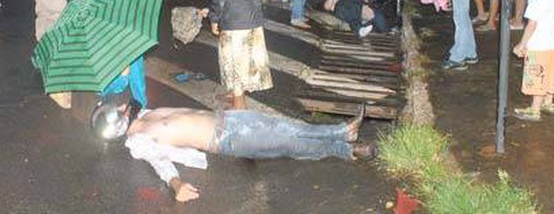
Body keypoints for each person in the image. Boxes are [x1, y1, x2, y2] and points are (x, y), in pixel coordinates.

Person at [90, 101, 375, 202]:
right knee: (289, 139)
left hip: (230, 119)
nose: (121, 106)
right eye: (116, 111)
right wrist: (176, 184)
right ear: (117, 124)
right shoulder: (138, 141)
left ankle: (345, 150)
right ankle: (342, 132)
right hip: (228, 138)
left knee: (286, 131)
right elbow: (160, 163)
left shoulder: (146, 114)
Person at [513, 0, 554, 121]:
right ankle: (548, 103)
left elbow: (531, 25)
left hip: (538, 46)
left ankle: (534, 110)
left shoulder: (535, 0)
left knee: (536, 76)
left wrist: (522, 44)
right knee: (550, 73)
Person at [323, 0, 388, 37]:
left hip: (353, 7)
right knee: (373, 15)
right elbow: (327, 6)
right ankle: (385, 32)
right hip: (346, 3)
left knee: (372, 16)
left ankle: (384, 32)